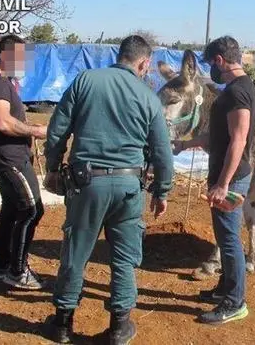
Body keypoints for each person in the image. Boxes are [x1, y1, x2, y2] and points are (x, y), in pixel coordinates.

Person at [42, 35, 174, 345]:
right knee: (124, 258)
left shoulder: (86, 80)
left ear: (121, 55)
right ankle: (118, 328)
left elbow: (57, 130)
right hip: (129, 188)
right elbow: (162, 152)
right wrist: (162, 190)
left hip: (86, 184)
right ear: (144, 63)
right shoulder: (148, 96)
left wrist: (51, 168)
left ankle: (62, 324)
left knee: (76, 252)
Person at [173, 35, 255, 325]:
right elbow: (219, 136)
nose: (210, 69)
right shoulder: (236, 89)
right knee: (224, 235)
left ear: (220, 61)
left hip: (231, 178)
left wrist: (223, 184)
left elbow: (238, 140)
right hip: (226, 174)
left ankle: (235, 303)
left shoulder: (237, 92)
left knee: (230, 240)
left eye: (211, 63)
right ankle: (224, 289)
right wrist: (186, 145)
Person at [0, 34, 47, 290]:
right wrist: (35, 131)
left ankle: (2, 265)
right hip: (9, 159)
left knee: (11, 209)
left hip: (11, 158)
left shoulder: (6, 83)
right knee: (31, 210)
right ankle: (17, 271)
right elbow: (2, 122)